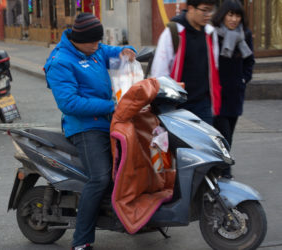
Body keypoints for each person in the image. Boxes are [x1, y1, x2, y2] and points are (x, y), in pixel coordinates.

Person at [43, 13, 135, 250]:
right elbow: (69, 103)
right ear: (77, 39)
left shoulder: (93, 49)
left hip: (110, 120)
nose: (97, 46)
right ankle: (81, 241)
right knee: (100, 178)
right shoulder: (60, 61)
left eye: (98, 41)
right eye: (92, 42)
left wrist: (128, 51)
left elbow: (111, 51)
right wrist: (111, 106)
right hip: (85, 127)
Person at [151, 0, 221, 125]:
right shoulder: (173, 32)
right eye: (204, 10)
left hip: (203, 105)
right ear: (190, 8)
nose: (208, 15)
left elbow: (214, 67)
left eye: (211, 10)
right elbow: (159, 72)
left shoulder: (209, 33)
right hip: (177, 106)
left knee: (205, 143)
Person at [212, 0, 254, 177]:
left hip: (235, 93)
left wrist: (244, 79)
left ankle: (220, 171)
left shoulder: (245, 35)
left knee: (229, 136)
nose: (234, 19)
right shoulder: (214, 34)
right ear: (223, 15)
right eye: (230, 14)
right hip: (217, 93)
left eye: (237, 15)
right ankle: (224, 171)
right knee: (223, 136)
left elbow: (249, 61)